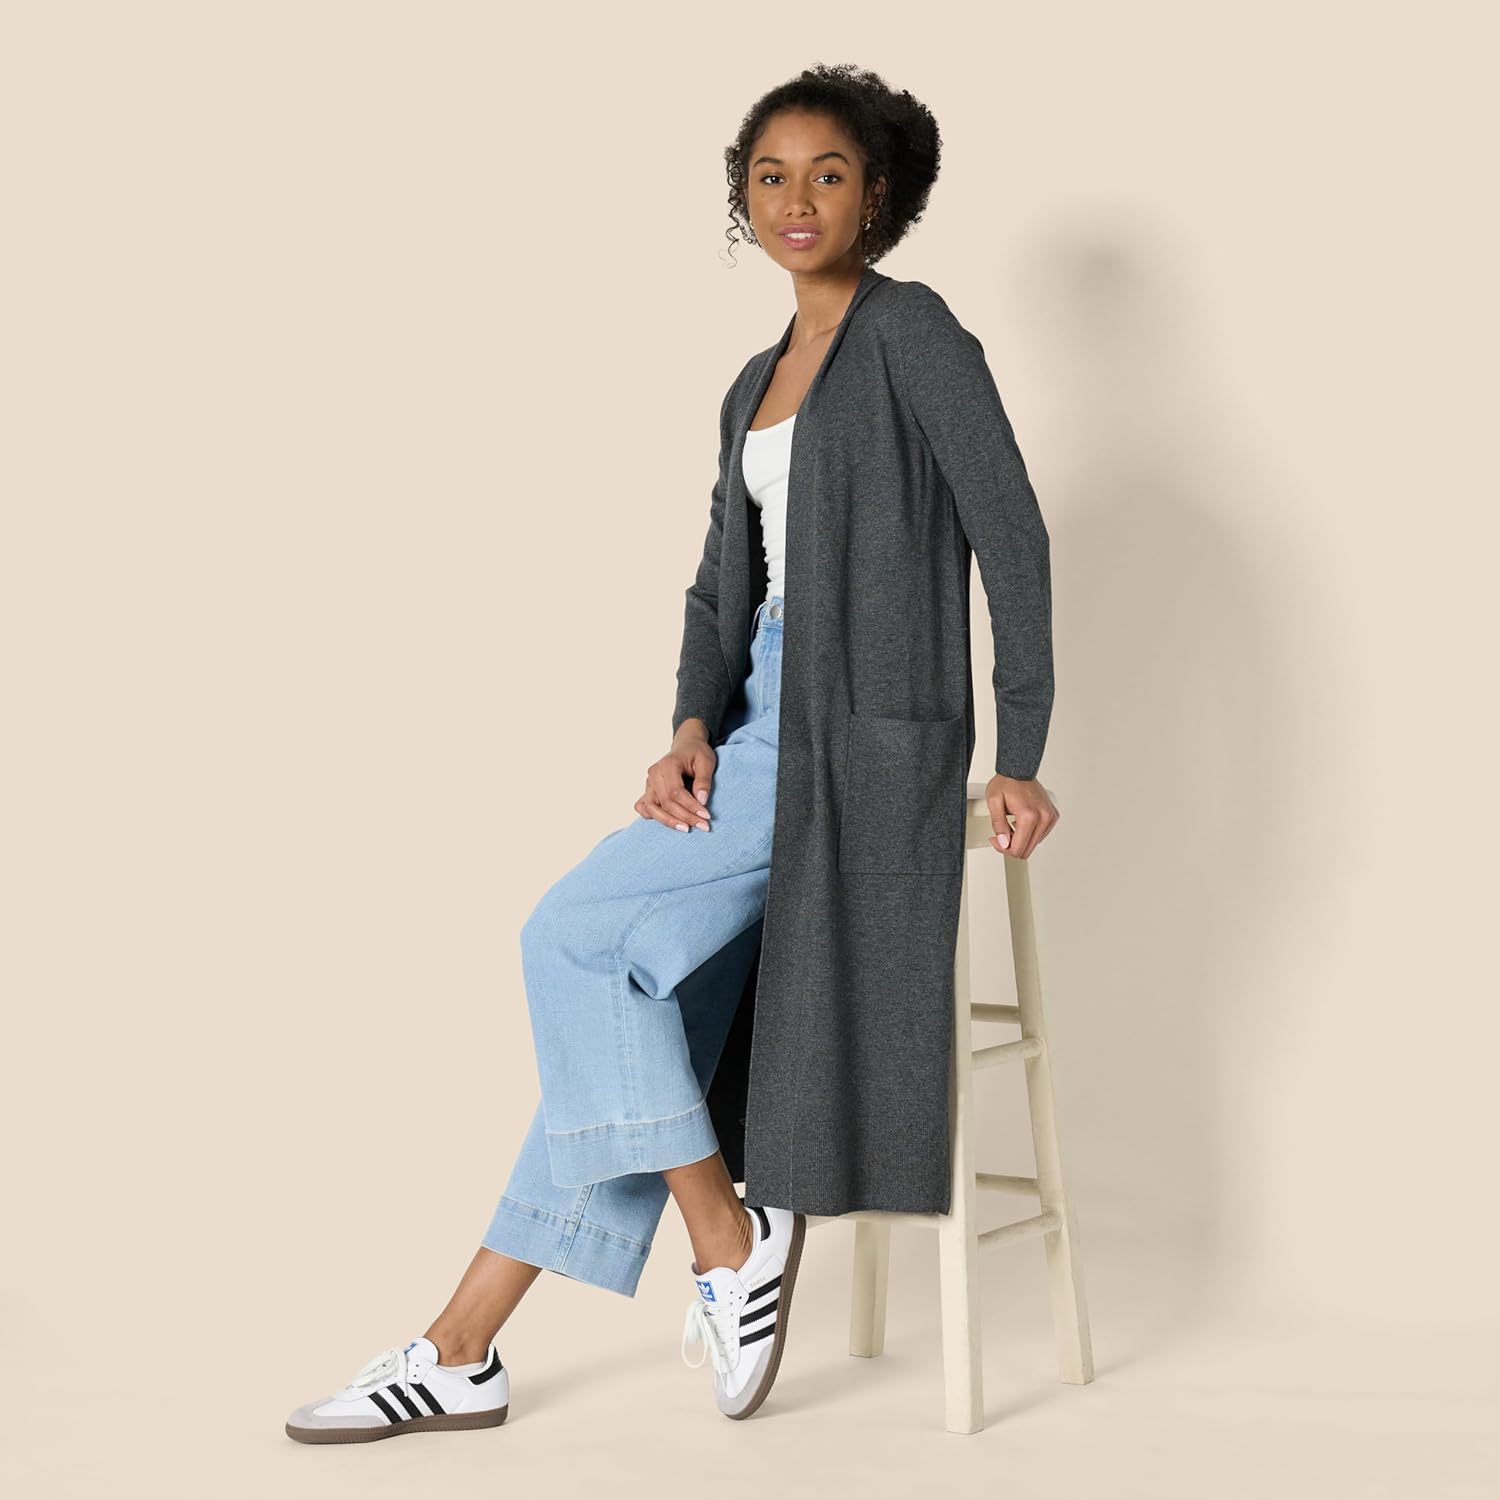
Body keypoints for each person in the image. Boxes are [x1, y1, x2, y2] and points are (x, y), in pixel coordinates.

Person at [286, 63, 1059, 1445]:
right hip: (761, 728)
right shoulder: (752, 384)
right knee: (630, 1010)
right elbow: (721, 586)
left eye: (828, 173)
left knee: (569, 941)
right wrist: (692, 725)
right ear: (741, 200)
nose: (797, 198)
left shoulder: (915, 332)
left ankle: (725, 1241)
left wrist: (1021, 745)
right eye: (770, 176)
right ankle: (463, 1346)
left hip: (855, 742)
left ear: (878, 192)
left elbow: (1013, 535)